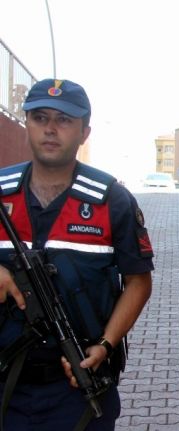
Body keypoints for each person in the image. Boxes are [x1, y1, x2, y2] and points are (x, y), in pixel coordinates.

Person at [0, 78, 154, 430]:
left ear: (84, 133)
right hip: (6, 386)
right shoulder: (2, 191)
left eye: (64, 120)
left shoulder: (110, 200)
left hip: (78, 387)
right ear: (27, 124)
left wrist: (106, 345)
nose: (50, 129)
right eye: (40, 117)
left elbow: (138, 282)